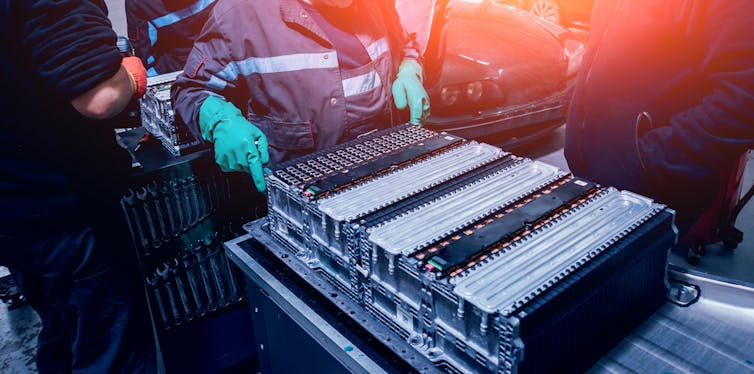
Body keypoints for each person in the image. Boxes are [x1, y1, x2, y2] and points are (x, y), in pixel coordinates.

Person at [0, 0, 156, 372]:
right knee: (108, 350)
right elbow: (99, 97)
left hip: (14, 208)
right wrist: (129, 76)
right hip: (61, 211)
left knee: (62, 327)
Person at [172, 0, 431, 192]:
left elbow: (405, 44)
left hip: (385, 172)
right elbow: (190, 89)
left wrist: (410, 67)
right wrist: (220, 121)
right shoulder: (241, 13)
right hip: (301, 191)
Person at [565, 0, 754, 238]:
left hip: (649, 191)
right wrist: (576, 104)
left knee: (626, 271)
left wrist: (648, 157)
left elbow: (745, 101)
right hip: (594, 175)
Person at [126, 0, 218, 77]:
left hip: (180, 67)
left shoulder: (138, 3)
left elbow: (145, 56)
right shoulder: (139, 3)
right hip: (221, 55)